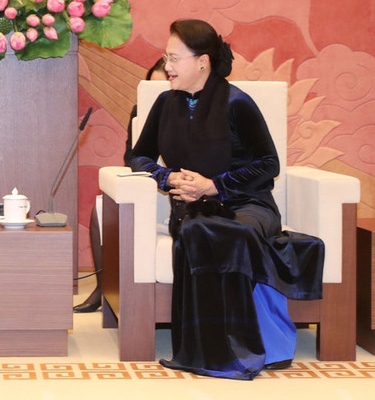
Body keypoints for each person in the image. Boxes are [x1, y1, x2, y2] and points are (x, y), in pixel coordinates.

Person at [127, 19, 323, 380]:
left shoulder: (237, 103)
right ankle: (210, 349)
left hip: (249, 204)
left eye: (174, 58)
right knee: (200, 230)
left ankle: (250, 345)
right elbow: (136, 156)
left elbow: (269, 164)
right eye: (165, 58)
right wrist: (165, 176)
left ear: (202, 61)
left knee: (236, 232)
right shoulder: (164, 104)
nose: (167, 67)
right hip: (191, 206)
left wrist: (214, 186)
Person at [74, 57, 167, 313]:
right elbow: (130, 156)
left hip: (180, 188)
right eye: (152, 89)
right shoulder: (140, 112)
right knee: (100, 210)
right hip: (148, 183)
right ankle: (103, 288)